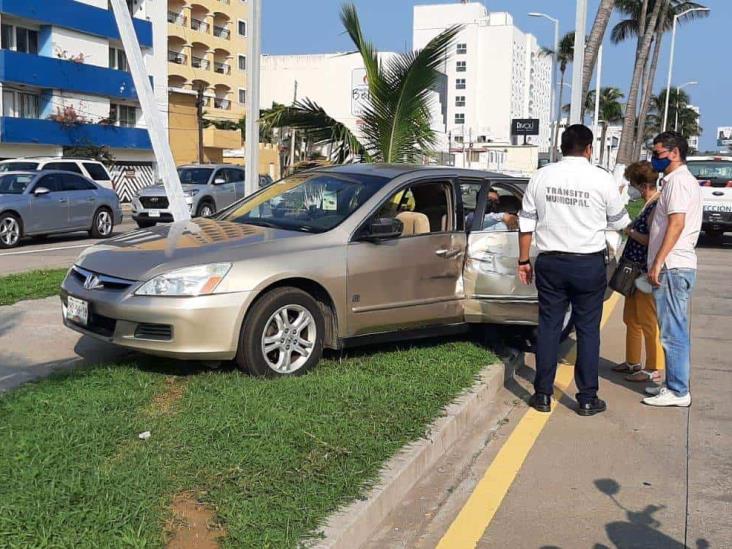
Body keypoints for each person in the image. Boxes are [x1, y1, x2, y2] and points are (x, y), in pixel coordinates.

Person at [518, 124, 630, 416]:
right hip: (588, 264)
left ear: (560, 147)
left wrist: (523, 261)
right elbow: (619, 222)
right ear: (590, 149)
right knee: (588, 330)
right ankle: (587, 398)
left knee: (549, 326)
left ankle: (542, 394)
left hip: (550, 263)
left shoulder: (541, 176)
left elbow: (525, 223)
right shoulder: (602, 179)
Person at [642, 131, 702, 407]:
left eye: (658, 153)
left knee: (672, 331)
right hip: (674, 266)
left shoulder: (678, 183)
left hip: (673, 266)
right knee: (671, 329)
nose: (654, 159)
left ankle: (678, 390)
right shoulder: (676, 181)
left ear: (674, 153)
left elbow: (676, 224)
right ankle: (672, 385)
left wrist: (658, 262)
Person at [611, 161, 665, 382]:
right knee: (631, 317)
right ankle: (632, 361)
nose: (630, 189)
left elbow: (650, 239)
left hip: (644, 271)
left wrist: (628, 230)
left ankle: (654, 367)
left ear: (643, 185)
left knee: (647, 320)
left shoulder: (656, 205)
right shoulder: (646, 203)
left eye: (632, 184)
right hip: (633, 271)